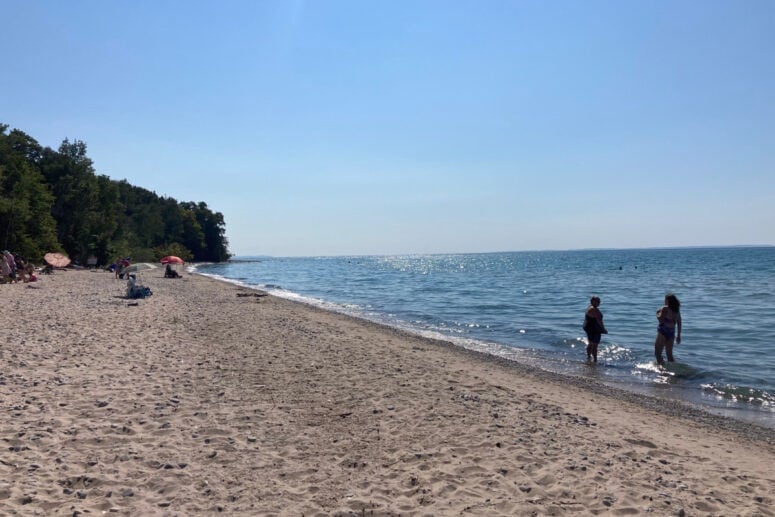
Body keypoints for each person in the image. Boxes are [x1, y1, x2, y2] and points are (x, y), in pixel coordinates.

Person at [655, 294, 681, 366]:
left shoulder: (665, 309)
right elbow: (679, 322)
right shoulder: (677, 311)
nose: (664, 301)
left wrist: (658, 312)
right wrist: (678, 335)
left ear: (668, 301)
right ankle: (673, 369)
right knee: (669, 355)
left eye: (665, 300)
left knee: (657, 353)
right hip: (671, 333)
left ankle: (661, 369)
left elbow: (660, 319)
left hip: (663, 332)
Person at [583, 296, 607, 362]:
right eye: (597, 301)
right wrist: (603, 329)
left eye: (599, 301)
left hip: (588, 327)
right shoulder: (594, 309)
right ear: (592, 301)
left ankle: (588, 357)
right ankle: (595, 360)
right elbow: (599, 320)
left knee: (590, 343)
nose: (599, 303)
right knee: (595, 345)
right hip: (594, 328)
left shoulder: (589, 308)